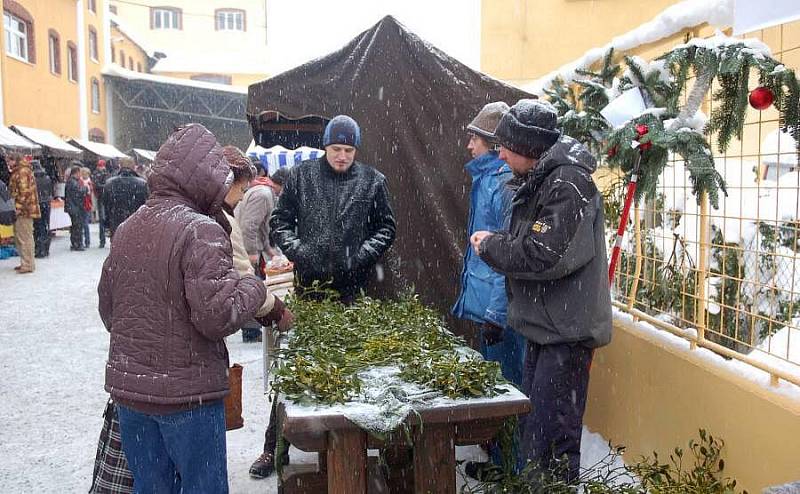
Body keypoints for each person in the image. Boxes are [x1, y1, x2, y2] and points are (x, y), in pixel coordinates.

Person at [98, 124, 290, 493]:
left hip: (131, 395)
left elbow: (109, 310)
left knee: (152, 488)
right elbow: (217, 316)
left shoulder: (129, 226)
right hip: (187, 399)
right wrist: (251, 284)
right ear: (205, 178)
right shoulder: (202, 229)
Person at [470, 99, 612, 482]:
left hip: (566, 332)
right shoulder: (544, 178)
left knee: (552, 441)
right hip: (547, 326)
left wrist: (490, 246)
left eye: (504, 144)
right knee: (538, 433)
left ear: (527, 147)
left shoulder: (568, 184)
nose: (498, 151)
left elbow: (543, 253)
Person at [451, 102, 528, 478]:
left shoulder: (502, 185)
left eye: (474, 138)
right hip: (492, 306)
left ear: (494, 143)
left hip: (503, 311)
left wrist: (497, 313)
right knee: (497, 386)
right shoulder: (488, 179)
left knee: (507, 389)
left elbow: (506, 257)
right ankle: (500, 459)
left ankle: (510, 469)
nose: (469, 146)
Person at [270, 114, 397, 302]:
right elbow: (279, 220)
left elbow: (386, 228)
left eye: (349, 150)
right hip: (308, 285)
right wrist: (300, 251)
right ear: (325, 146)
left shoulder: (373, 181)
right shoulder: (301, 175)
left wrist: (361, 256)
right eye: (336, 149)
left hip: (355, 287)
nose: (342, 156)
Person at [102, 158, 149, 239]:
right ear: (134, 167)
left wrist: (107, 224)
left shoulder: (110, 183)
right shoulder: (142, 184)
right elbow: (146, 205)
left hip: (116, 223)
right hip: (136, 223)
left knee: (117, 248)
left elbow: (106, 206)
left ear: (120, 166)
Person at [8, 155, 40, 273]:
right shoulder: (21, 170)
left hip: (24, 211)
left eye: (9, 160)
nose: (8, 163)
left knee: (24, 237)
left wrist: (18, 208)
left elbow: (24, 192)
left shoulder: (22, 172)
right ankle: (26, 262)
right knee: (21, 236)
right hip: (24, 210)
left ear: (14, 160)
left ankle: (28, 264)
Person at [64, 165, 88, 251]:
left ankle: (75, 243)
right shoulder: (73, 182)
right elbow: (79, 192)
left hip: (72, 207)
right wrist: (85, 188)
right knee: (77, 226)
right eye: (79, 173)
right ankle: (78, 244)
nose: (80, 175)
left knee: (75, 226)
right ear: (76, 173)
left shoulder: (70, 181)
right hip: (75, 208)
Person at [32, 161, 53, 258]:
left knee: (38, 227)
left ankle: (40, 249)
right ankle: (46, 248)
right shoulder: (47, 177)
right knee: (46, 226)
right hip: (47, 203)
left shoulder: (32, 179)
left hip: (37, 204)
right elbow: (51, 191)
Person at [92, 160, 110, 248]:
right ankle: (102, 240)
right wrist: (105, 185)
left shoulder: (106, 173)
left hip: (105, 198)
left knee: (106, 219)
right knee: (102, 220)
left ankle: (105, 239)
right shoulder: (97, 174)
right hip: (101, 198)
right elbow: (97, 185)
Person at [80, 167, 93, 248]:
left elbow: (90, 192)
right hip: (82, 204)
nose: (85, 175)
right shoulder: (80, 181)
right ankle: (82, 241)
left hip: (87, 204)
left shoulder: (89, 182)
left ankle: (87, 241)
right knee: (82, 224)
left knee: (85, 224)